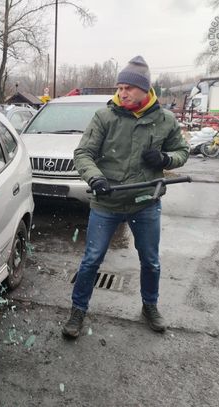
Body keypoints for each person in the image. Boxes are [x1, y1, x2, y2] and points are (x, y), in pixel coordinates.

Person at [62, 56, 189, 338]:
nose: (122, 93)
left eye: (128, 88)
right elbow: (83, 153)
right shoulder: (105, 117)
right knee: (91, 260)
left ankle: (150, 306)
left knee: (150, 260)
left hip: (145, 202)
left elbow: (183, 152)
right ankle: (78, 310)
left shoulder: (165, 120)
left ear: (145, 89)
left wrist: (165, 158)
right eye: (119, 87)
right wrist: (95, 178)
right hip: (106, 203)